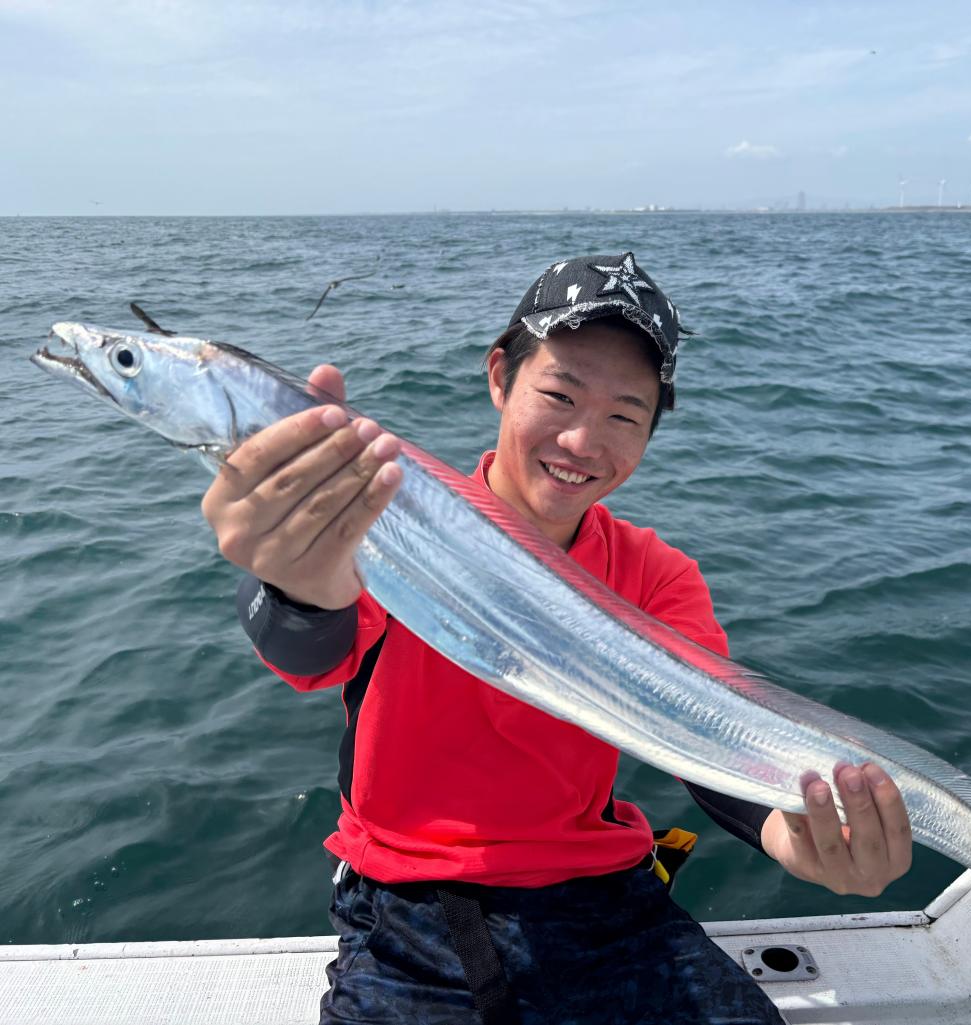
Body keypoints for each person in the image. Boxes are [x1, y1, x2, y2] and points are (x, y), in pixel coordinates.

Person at [201, 253, 913, 1025]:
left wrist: (785, 826)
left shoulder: (654, 573)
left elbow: (710, 735)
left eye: (623, 416)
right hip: (409, 905)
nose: (581, 440)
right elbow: (306, 649)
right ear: (500, 377)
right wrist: (295, 583)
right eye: (559, 394)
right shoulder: (394, 514)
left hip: (609, 899)